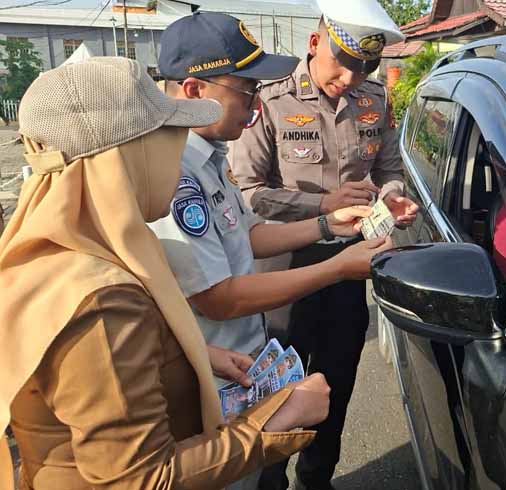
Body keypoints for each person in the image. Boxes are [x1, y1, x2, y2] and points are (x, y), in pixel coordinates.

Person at [0, 57, 331, 490]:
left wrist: (191, 352)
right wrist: (275, 421)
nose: (178, 161)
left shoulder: (59, 250)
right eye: (170, 141)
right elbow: (141, 479)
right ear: (131, 154)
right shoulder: (101, 300)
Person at [149, 13, 393, 490]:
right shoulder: (176, 174)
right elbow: (219, 298)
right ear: (195, 91)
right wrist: (338, 267)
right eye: (246, 90)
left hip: (237, 363)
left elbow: (249, 234)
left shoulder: (208, 157)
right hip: (210, 378)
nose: (257, 102)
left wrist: (327, 224)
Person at [228, 1, 418, 488]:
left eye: (364, 67)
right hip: (281, 270)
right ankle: (269, 482)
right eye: (344, 63)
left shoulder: (374, 97)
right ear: (315, 44)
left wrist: (391, 198)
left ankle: (317, 480)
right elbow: (247, 193)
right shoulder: (271, 98)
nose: (351, 79)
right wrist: (322, 206)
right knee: (275, 392)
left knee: (335, 386)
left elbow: (389, 169)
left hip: (348, 267)